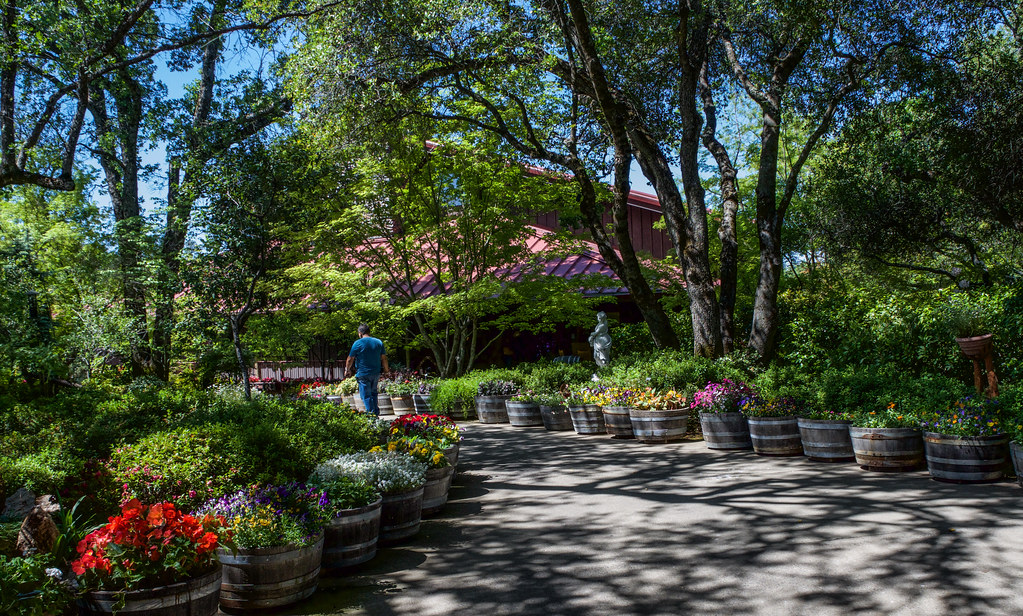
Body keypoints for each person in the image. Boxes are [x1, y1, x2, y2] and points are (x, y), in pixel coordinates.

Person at [345, 323, 389, 416]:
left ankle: (371, 416)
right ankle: (376, 414)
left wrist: (347, 370)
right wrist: (386, 370)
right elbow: (384, 358)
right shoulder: (378, 342)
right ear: (369, 332)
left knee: (366, 396)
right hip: (376, 373)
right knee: (374, 394)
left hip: (363, 373)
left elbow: (350, 359)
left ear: (360, 333)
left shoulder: (358, 343)